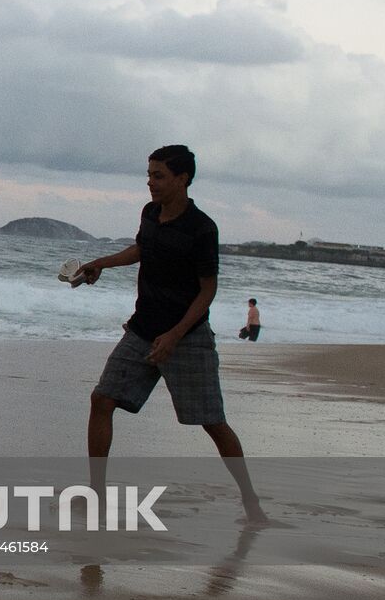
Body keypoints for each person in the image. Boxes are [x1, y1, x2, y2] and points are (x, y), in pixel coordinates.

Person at [74, 144, 268, 524]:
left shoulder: (202, 228)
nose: (151, 182)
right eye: (149, 175)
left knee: (213, 423)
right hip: (142, 330)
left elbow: (207, 290)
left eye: (159, 176)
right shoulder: (150, 213)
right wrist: (101, 263)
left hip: (188, 338)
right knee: (101, 400)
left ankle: (251, 502)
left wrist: (176, 335)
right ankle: (96, 494)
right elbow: (141, 249)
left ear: (182, 179)